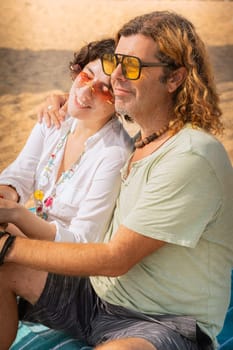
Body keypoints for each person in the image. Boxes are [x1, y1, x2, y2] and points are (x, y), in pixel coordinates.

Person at [0, 10, 232, 350]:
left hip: (160, 321)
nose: (118, 75)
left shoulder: (192, 155)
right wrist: (66, 101)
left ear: (174, 78)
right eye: (117, 63)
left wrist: (9, 247)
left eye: (133, 66)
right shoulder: (145, 137)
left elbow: (115, 259)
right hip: (95, 299)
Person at [0, 39, 132, 243]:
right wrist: (7, 193)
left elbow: (83, 240)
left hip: (68, 263)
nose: (85, 92)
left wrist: (17, 214)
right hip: (32, 238)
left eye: (104, 90)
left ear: (121, 102)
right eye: (86, 75)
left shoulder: (114, 153)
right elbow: (21, 173)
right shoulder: (56, 118)